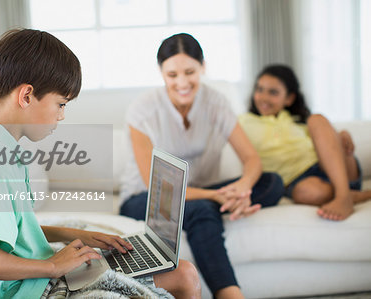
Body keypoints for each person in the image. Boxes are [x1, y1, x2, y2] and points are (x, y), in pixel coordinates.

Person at [0, 29, 201, 299]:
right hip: (24, 291)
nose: (61, 115)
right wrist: (53, 265)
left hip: (17, 284)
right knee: (184, 274)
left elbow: (6, 230)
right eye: (60, 104)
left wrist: (73, 235)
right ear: (26, 96)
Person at [119, 33, 284, 299]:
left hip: (201, 191)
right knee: (202, 209)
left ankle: (226, 203)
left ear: (203, 67)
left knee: (272, 183)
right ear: (161, 73)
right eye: (172, 75)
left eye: (190, 72)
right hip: (147, 198)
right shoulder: (142, 110)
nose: (182, 83)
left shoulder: (216, 102)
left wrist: (242, 188)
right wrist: (214, 196)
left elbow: (251, 160)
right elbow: (155, 184)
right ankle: (230, 295)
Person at [239, 64, 371, 221]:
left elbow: (328, 142)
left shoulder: (296, 120)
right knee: (306, 192)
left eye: (273, 92)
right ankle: (357, 196)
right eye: (259, 89)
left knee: (316, 119)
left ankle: (343, 196)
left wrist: (342, 135)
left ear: (289, 98)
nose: (263, 97)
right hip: (301, 181)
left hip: (337, 169)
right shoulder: (243, 122)